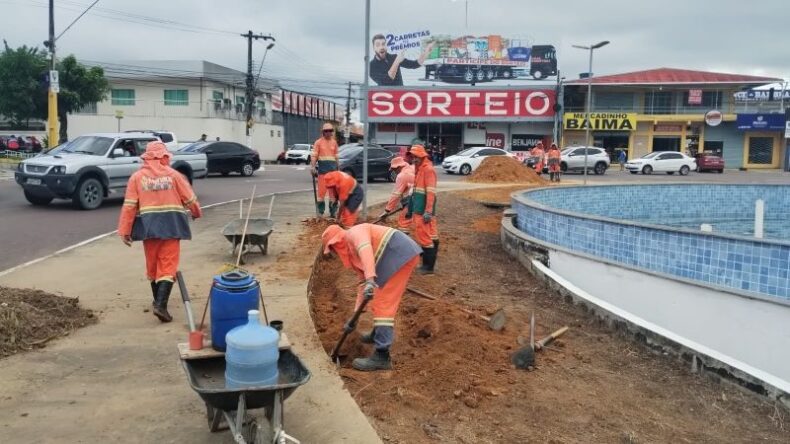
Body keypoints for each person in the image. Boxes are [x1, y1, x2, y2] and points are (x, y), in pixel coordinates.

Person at [117, 141, 202, 323]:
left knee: (153, 265)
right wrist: (196, 212)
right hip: (172, 225)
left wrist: (125, 230)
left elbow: (129, 206)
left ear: (147, 157)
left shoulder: (137, 178)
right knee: (168, 265)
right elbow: (190, 199)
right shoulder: (174, 175)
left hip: (149, 227)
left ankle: (158, 300)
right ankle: (160, 305)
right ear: (164, 156)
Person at [321, 223, 421, 371]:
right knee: (377, 300)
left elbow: (365, 249)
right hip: (391, 256)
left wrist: (370, 279)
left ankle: (382, 356)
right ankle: (377, 334)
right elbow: (362, 283)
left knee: (383, 303)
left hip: (397, 253)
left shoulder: (354, 234)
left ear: (336, 241)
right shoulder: (352, 253)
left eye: (333, 248)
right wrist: (355, 315)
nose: (335, 253)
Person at [408, 144, 439, 274]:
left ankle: (428, 267)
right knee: (431, 235)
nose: (413, 159)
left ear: (421, 156)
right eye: (412, 157)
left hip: (423, 210)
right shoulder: (420, 169)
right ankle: (429, 264)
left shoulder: (427, 170)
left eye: (416, 157)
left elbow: (430, 192)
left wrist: (428, 211)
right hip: (420, 208)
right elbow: (417, 190)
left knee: (424, 236)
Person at [369, 34, 434, 86]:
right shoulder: (371, 66)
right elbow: (387, 81)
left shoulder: (394, 57)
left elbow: (415, 64)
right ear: (373, 48)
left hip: (400, 96)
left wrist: (426, 52)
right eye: (378, 45)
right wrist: (397, 62)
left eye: (383, 44)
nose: (381, 47)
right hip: (386, 99)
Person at [310, 122, 340, 217]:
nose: (328, 132)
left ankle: (333, 213)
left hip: (333, 173)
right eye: (326, 131)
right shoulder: (318, 142)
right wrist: (313, 166)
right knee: (321, 195)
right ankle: (320, 212)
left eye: (330, 131)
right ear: (323, 132)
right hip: (322, 172)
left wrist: (338, 168)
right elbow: (314, 155)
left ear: (332, 132)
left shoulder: (334, 143)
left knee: (333, 195)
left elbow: (336, 157)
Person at [379, 157, 415, 232]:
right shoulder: (411, 168)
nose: (394, 171)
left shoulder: (402, 176)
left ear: (398, 167)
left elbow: (396, 195)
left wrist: (387, 210)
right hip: (421, 198)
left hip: (414, 200)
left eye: (394, 169)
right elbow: (407, 189)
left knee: (403, 221)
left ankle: (404, 241)